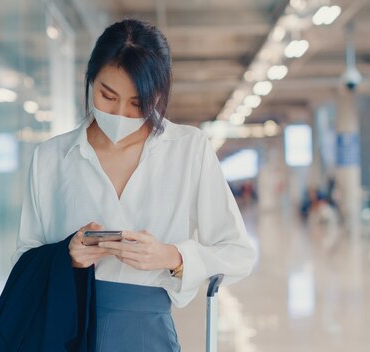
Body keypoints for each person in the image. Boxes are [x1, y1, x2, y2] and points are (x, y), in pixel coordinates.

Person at [13, 19, 257, 351]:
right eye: (107, 95)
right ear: (90, 79)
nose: (120, 114)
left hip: (146, 334)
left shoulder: (189, 149)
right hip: (65, 331)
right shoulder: (51, 157)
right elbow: (25, 259)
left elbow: (237, 253)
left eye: (137, 103)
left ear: (158, 95)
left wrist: (172, 256)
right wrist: (65, 256)